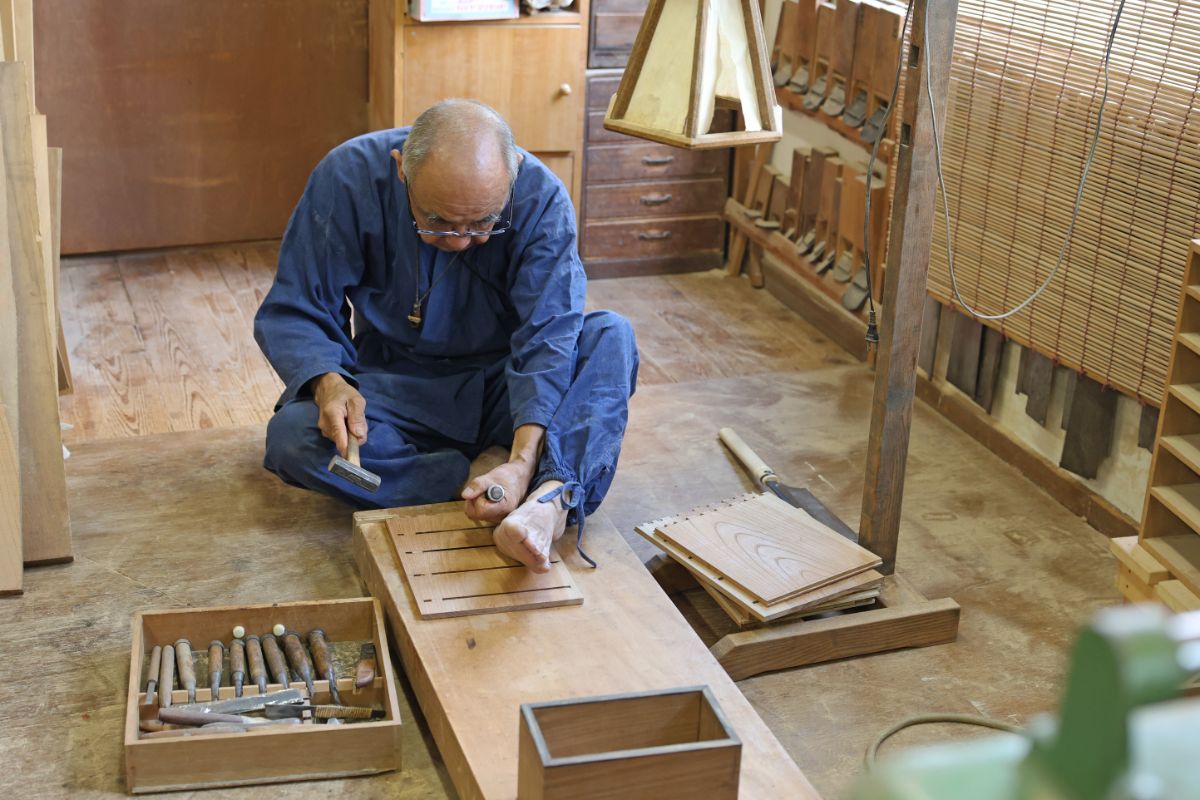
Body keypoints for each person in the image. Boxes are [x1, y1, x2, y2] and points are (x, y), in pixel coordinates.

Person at [253, 99, 638, 573]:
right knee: (293, 439)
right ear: (401, 171)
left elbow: (548, 337)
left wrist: (520, 454)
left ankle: (549, 497)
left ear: (513, 171)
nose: (459, 240)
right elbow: (298, 305)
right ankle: (475, 481)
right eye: (435, 221)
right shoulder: (348, 176)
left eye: (482, 224)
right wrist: (329, 383)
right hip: (397, 390)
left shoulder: (540, 197)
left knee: (609, 336)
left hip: (509, 392)